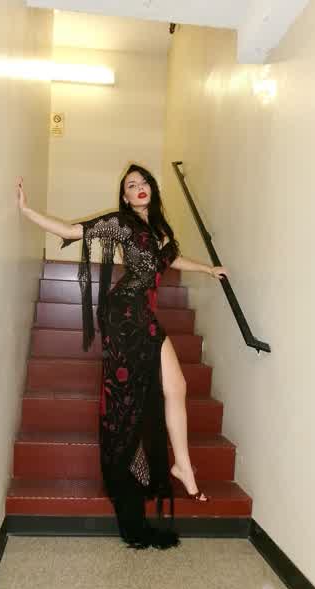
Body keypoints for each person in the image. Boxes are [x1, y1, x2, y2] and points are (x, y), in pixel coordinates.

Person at [17, 164, 228, 549]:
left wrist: (207, 269)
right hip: (125, 314)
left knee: (177, 386)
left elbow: (172, 260)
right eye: (131, 185)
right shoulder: (122, 223)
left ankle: (181, 465)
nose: (139, 187)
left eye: (143, 182)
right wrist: (28, 211)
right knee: (133, 399)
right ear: (125, 197)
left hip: (144, 314)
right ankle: (145, 463)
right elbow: (73, 231)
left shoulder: (161, 230)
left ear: (152, 189)